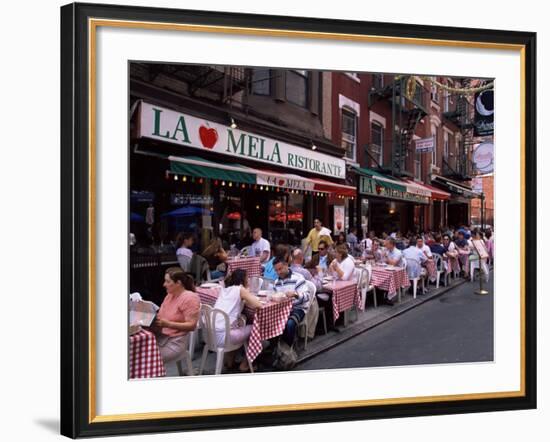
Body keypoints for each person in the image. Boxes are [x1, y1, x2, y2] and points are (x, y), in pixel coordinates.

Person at [213, 269, 263, 372]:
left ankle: (229, 361)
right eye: (247, 277)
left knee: (237, 325)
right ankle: (245, 364)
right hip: (225, 336)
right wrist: (247, 290)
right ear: (243, 279)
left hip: (211, 334)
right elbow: (258, 305)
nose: (248, 279)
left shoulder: (224, 289)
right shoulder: (240, 289)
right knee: (256, 328)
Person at [153, 267, 200, 366]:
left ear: (178, 283)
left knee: (144, 358)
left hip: (175, 342)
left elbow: (192, 325)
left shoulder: (189, 298)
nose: (164, 284)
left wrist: (168, 324)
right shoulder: (170, 295)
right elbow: (160, 316)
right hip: (162, 337)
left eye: (167, 281)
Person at [273, 257, 311, 347]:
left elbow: (307, 297)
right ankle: (276, 347)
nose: (279, 272)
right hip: (283, 309)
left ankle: (288, 348)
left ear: (286, 265)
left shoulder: (298, 278)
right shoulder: (276, 282)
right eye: (276, 270)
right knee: (271, 322)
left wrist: (295, 294)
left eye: (280, 269)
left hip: (298, 308)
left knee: (289, 323)